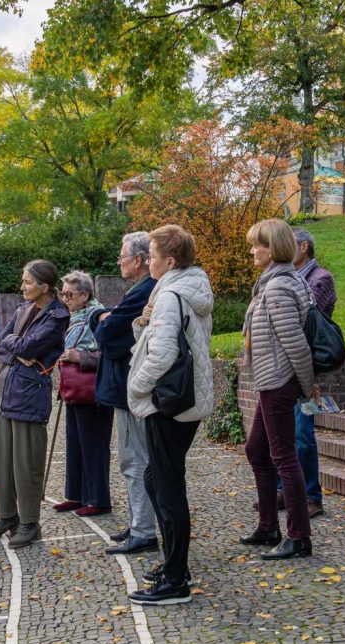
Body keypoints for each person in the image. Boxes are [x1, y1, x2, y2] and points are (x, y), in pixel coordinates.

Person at [125, 225, 213, 606]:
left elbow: (161, 356)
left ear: (170, 261)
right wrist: (142, 322)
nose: (149, 260)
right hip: (185, 401)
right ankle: (173, 564)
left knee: (167, 486)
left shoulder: (171, 294)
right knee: (156, 478)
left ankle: (176, 579)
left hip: (169, 403)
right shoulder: (185, 290)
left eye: (154, 254)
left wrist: (136, 387)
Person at [241, 219, 319, 562]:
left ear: (274, 248)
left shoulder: (278, 287)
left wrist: (306, 386)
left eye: (258, 245)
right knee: (257, 450)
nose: (253, 251)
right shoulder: (274, 282)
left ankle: (299, 536)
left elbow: (296, 344)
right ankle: (269, 525)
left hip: (280, 380)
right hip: (272, 380)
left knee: (283, 456)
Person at [0, 260, 69, 549]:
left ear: (44, 286)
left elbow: (29, 347)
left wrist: (16, 345)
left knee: (26, 462)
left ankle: (30, 522)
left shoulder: (57, 314)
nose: (22, 287)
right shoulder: (21, 309)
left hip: (29, 394)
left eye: (28, 282)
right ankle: (8, 515)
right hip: (4, 390)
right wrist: (16, 346)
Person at [88, 232, 159, 554]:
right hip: (129, 388)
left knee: (135, 460)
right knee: (137, 460)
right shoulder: (141, 292)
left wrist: (100, 317)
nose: (119, 261)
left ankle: (143, 530)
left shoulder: (143, 293)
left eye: (122, 256)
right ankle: (138, 523)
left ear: (140, 259)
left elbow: (108, 335)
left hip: (131, 389)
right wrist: (103, 316)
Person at [283, 228, 336, 518]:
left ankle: (312, 494)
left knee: (303, 433)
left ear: (303, 247)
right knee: (284, 434)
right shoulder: (289, 279)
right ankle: (286, 491)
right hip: (285, 365)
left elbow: (304, 315)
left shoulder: (320, 278)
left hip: (307, 365)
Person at [53, 271, 114, 517]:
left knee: (94, 445)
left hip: (94, 389)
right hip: (75, 388)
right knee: (75, 442)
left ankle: (99, 499)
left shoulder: (97, 315)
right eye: (63, 293)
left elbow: (111, 353)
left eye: (70, 294)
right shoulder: (74, 317)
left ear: (84, 295)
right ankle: (76, 495)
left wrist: (82, 357)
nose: (65, 299)